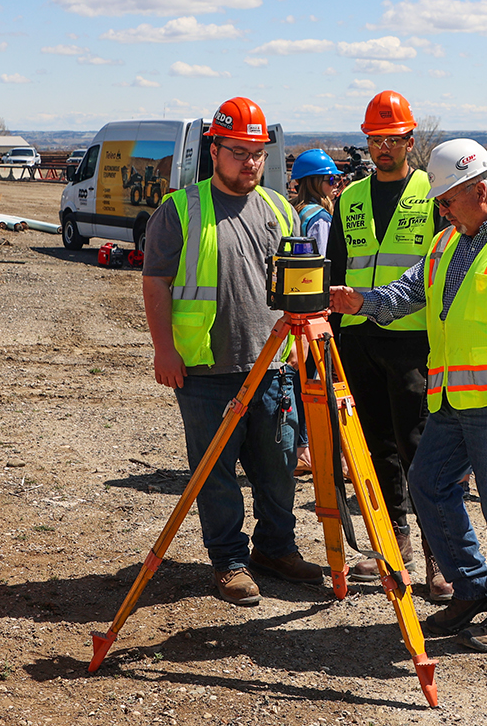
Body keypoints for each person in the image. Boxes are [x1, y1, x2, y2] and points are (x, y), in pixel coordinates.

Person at [330, 138, 487, 653]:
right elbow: (409, 291)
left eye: (446, 201)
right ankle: (470, 588)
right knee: (429, 485)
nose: (440, 210)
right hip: (451, 402)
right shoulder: (447, 242)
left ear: (482, 190)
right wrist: (363, 301)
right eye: (440, 203)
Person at [141, 96, 326, 606]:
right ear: (214, 149)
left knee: (279, 465)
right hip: (205, 369)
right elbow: (155, 283)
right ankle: (229, 562)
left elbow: (297, 283)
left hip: (273, 364)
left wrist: (301, 339)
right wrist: (165, 349)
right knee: (216, 472)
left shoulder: (276, 207)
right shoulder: (180, 210)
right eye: (240, 152)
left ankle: (276, 549)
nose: (251, 163)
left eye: (259, 153)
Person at [325, 91, 452, 601]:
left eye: (392, 139)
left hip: (412, 341)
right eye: (375, 139)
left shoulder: (432, 194)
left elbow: (444, 266)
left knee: (418, 445)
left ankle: (438, 553)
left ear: (409, 141)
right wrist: (331, 336)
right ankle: (392, 543)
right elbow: (334, 267)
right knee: (374, 446)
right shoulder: (351, 198)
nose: (383, 148)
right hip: (358, 340)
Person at [288, 148, 344, 478]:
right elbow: (325, 265)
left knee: (297, 378)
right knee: (318, 379)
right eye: (332, 180)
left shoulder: (295, 212)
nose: (336, 186)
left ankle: (298, 446)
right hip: (315, 311)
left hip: (293, 307)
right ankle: (309, 449)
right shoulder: (320, 220)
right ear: (317, 182)